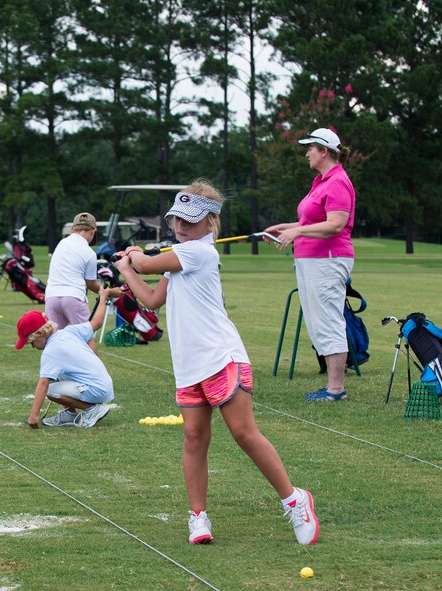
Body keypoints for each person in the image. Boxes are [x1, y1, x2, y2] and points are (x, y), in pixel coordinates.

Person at [113, 180, 319, 546]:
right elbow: (151, 299)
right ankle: (198, 517)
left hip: (221, 357)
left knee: (243, 432)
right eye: (177, 219)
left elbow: (146, 262)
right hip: (189, 365)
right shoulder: (180, 255)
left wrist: (135, 257)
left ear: (210, 223)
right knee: (194, 438)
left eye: (190, 221)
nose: (181, 227)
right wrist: (127, 270)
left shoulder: (199, 253)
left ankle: (294, 499)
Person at [264, 128, 356, 402]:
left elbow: (336, 224)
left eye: (310, 149)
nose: (307, 154)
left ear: (324, 151)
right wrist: (287, 227)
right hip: (310, 260)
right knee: (318, 322)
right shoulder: (321, 181)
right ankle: (331, 386)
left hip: (328, 260)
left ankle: (336, 389)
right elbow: (314, 220)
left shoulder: (337, 181)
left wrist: (298, 232)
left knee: (328, 320)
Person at [17, 285, 122, 429]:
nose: (33, 346)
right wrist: (103, 297)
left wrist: (34, 415)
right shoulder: (69, 331)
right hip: (103, 384)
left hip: (95, 390)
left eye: (31, 342)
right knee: (60, 375)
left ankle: (92, 409)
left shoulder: (51, 351)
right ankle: (69, 414)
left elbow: (43, 384)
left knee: (50, 391)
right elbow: (97, 323)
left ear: (39, 334)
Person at [44, 212, 101, 329]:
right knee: (86, 338)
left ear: (72, 229)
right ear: (93, 231)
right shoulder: (90, 253)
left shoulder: (61, 243)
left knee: (55, 339)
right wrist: (108, 291)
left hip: (51, 297)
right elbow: (91, 285)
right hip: (73, 297)